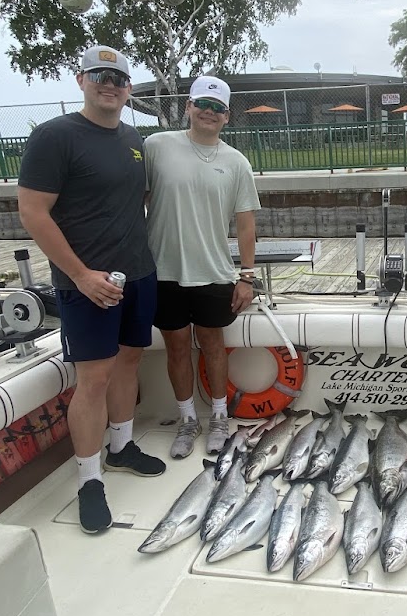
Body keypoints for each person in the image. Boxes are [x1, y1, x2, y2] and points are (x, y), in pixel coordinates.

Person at [18, 45, 164, 536]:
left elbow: (136, 199)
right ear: (81, 79)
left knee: (129, 362)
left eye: (119, 78)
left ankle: (121, 446)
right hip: (86, 282)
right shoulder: (55, 136)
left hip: (137, 274)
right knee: (93, 380)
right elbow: (33, 213)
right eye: (100, 75)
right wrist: (81, 275)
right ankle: (89, 478)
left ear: (128, 89)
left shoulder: (133, 138)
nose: (111, 84)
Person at [144, 75, 261, 459]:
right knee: (176, 348)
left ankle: (219, 418)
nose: (210, 112)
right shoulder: (156, 146)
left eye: (218, 108)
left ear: (227, 117)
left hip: (214, 272)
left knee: (213, 345)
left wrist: (247, 276)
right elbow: (132, 203)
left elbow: (246, 225)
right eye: (203, 105)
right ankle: (187, 420)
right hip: (164, 272)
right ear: (188, 107)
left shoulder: (237, 162)